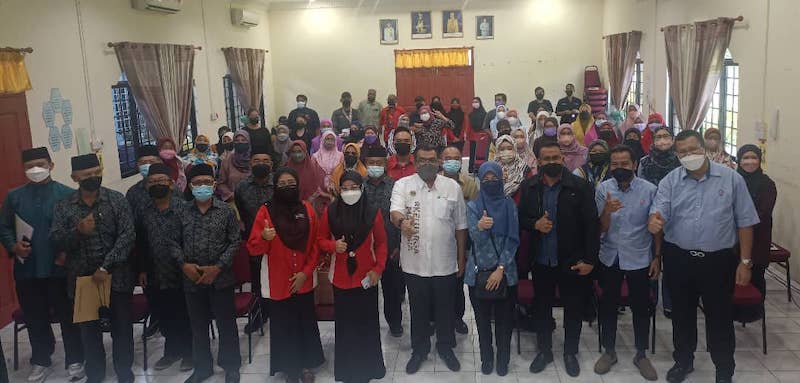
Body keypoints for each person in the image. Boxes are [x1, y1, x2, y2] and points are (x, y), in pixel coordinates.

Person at [647, 130, 759, 383]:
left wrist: (745, 262)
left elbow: (745, 223)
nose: (689, 155)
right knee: (682, 315)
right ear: (677, 155)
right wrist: (654, 221)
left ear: (704, 148)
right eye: (682, 152)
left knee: (719, 317)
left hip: (717, 261)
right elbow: (659, 210)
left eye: (693, 149)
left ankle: (723, 369)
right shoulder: (670, 181)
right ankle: (683, 361)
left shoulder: (732, 180)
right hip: (679, 258)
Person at [0, 147, 84, 382]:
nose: (35, 170)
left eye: (40, 164)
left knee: (68, 316)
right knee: (35, 317)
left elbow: (77, 230)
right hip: (27, 269)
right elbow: (4, 226)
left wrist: (68, 252)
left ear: (51, 165)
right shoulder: (13, 196)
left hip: (60, 268)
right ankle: (41, 359)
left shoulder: (67, 194)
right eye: (29, 166)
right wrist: (12, 245)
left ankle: (75, 359)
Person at [51, 153, 135, 383]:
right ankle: (95, 374)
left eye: (97, 172)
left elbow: (127, 236)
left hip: (115, 277)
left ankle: (124, 370)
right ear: (74, 177)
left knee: (122, 328)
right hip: (83, 281)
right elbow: (57, 240)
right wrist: (78, 231)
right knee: (89, 332)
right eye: (87, 175)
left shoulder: (116, 200)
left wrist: (106, 267)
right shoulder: (64, 206)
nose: (93, 177)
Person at [518, 142, 599, 378]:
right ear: (539, 161)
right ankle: (544, 351)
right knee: (542, 309)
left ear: (563, 159)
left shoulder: (580, 187)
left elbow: (591, 226)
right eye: (547, 158)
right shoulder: (530, 186)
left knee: (573, 309)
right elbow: (521, 217)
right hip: (541, 260)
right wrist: (535, 224)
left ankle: (570, 352)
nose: (552, 162)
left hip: (572, 261)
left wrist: (590, 260)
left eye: (556, 157)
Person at [389, 143, 468, 374]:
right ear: (415, 161)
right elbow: (395, 212)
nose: (427, 164)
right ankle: (420, 350)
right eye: (422, 160)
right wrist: (401, 222)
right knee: (418, 309)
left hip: (445, 262)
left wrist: (461, 258)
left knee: (446, 308)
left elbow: (461, 226)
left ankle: (445, 347)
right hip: (414, 263)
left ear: (439, 161)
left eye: (431, 159)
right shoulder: (402, 185)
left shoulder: (452, 187)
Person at [247, 167, 325, 383]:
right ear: (275, 186)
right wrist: (264, 237)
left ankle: (307, 364)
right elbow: (253, 248)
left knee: (305, 321)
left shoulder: (308, 209)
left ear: (298, 185)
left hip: (304, 277)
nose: (287, 187)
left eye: (291, 183)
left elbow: (316, 245)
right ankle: (290, 367)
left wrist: (305, 273)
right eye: (282, 184)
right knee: (283, 324)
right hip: (277, 279)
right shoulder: (265, 211)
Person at [593, 145, 660, 381]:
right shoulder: (604, 188)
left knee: (641, 307)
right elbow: (599, 228)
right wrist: (607, 212)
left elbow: (656, 228)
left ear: (634, 165)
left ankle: (641, 354)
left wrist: (657, 257)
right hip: (610, 256)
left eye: (624, 164)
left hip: (640, 256)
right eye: (615, 164)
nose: (619, 168)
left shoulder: (649, 190)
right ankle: (609, 351)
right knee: (608, 305)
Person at [172, 164, 241, 383]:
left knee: (226, 324)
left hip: (221, 278)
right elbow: (172, 242)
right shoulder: (180, 211)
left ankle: (230, 366)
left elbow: (235, 241)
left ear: (214, 184)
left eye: (207, 182)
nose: (203, 186)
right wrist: (184, 265)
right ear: (190, 186)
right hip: (191, 279)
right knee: (198, 326)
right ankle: (202, 368)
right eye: (198, 183)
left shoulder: (226, 211)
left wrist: (218, 266)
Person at [318, 171, 387, 383]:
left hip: (367, 278)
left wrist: (378, 269)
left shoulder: (372, 212)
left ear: (362, 188)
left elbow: (382, 244)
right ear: (339, 190)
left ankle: (370, 368)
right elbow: (319, 239)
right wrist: (333, 246)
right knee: (346, 327)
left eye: (354, 187)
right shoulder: (330, 212)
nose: (349, 192)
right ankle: (348, 371)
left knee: (367, 325)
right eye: (345, 188)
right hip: (341, 278)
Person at [465, 162, 520, 376]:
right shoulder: (473, 207)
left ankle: (503, 360)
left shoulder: (509, 205)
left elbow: (513, 239)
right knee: (482, 322)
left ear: (501, 178)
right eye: (485, 178)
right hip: (478, 273)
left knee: (505, 323)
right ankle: (486, 359)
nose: (490, 182)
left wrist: (500, 269)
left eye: (493, 178)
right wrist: (479, 227)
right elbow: (473, 240)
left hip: (505, 273)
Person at [138, 163, 193, 372]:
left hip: (181, 271)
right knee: (163, 313)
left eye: (161, 181)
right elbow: (141, 242)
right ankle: (171, 351)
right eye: (152, 182)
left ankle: (189, 352)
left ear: (171, 184)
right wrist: (142, 269)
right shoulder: (144, 212)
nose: (157, 185)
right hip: (155, 273)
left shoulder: (185, 208)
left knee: (184, 313)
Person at [363, 145, 405, 336]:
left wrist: (398, 246)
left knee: (392, 291)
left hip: (391, 248)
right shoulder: (358, 186)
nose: (375, 166)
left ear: (385, 165)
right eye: (371, 163)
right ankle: (369, 326)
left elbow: (402, 216)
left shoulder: (396, 186)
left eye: (379, 163)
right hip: (366, 250)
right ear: (365, 164)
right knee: (367, 290)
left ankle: (395, 323)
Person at [234, 148, 276, 334]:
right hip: (255, 241)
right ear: (251, 164)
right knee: (257, 282)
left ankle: (279, 314)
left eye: (265, 160)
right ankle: (259, 316)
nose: (261, 164)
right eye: (257, 160)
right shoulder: (242, 187)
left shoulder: (279, 183)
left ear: (271, 165)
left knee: (277, 278)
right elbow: (242, 213)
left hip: (278, 242)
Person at [441, 145, 477, 335]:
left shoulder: (469, 183)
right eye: (448, 158)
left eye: (456, 158)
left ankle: (457, 318)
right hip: (440, 240)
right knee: (439, 282)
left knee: (457, 281)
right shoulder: (434, 181)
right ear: (442, 161)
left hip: (462, 240)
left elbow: (475, 212)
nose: (452, 161)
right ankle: (436, 318)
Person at [735, 145, 776, 299]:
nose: (750, 162)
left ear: (760, 160)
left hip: (758, 239)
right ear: (739, 161)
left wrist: (741, 222)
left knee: (756, 278)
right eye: (745, 158)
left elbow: (763, 213)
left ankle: (754, 313)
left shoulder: (767, 184)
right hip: (732, 239)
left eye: (754, 157)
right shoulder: (733, 180)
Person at [494, 135, 532, 203]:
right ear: (497, 151)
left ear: (515, 149)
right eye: (502, 149)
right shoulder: (492, 169)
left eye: (509, 148)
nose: (506, 152)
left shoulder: (524, 168)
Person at [216, 130, 252, 202]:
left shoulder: (255, 159)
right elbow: (221, 183)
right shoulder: (227, 160)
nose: (240, 142)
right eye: (237, 140)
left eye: (243, 140)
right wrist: (230, 195)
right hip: (234, 200)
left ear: (248, 141)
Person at [468, 97, 490, 173]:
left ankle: (482, 169)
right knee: (472, 153)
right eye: (473, 102)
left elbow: (486, 126)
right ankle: (472, 169)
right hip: (473, 136)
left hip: (482, 136)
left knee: (482, 154)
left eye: (476, 102)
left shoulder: (485, 114)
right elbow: (469, 126)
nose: (475, 103)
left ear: (480, 103)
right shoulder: (470, 114)